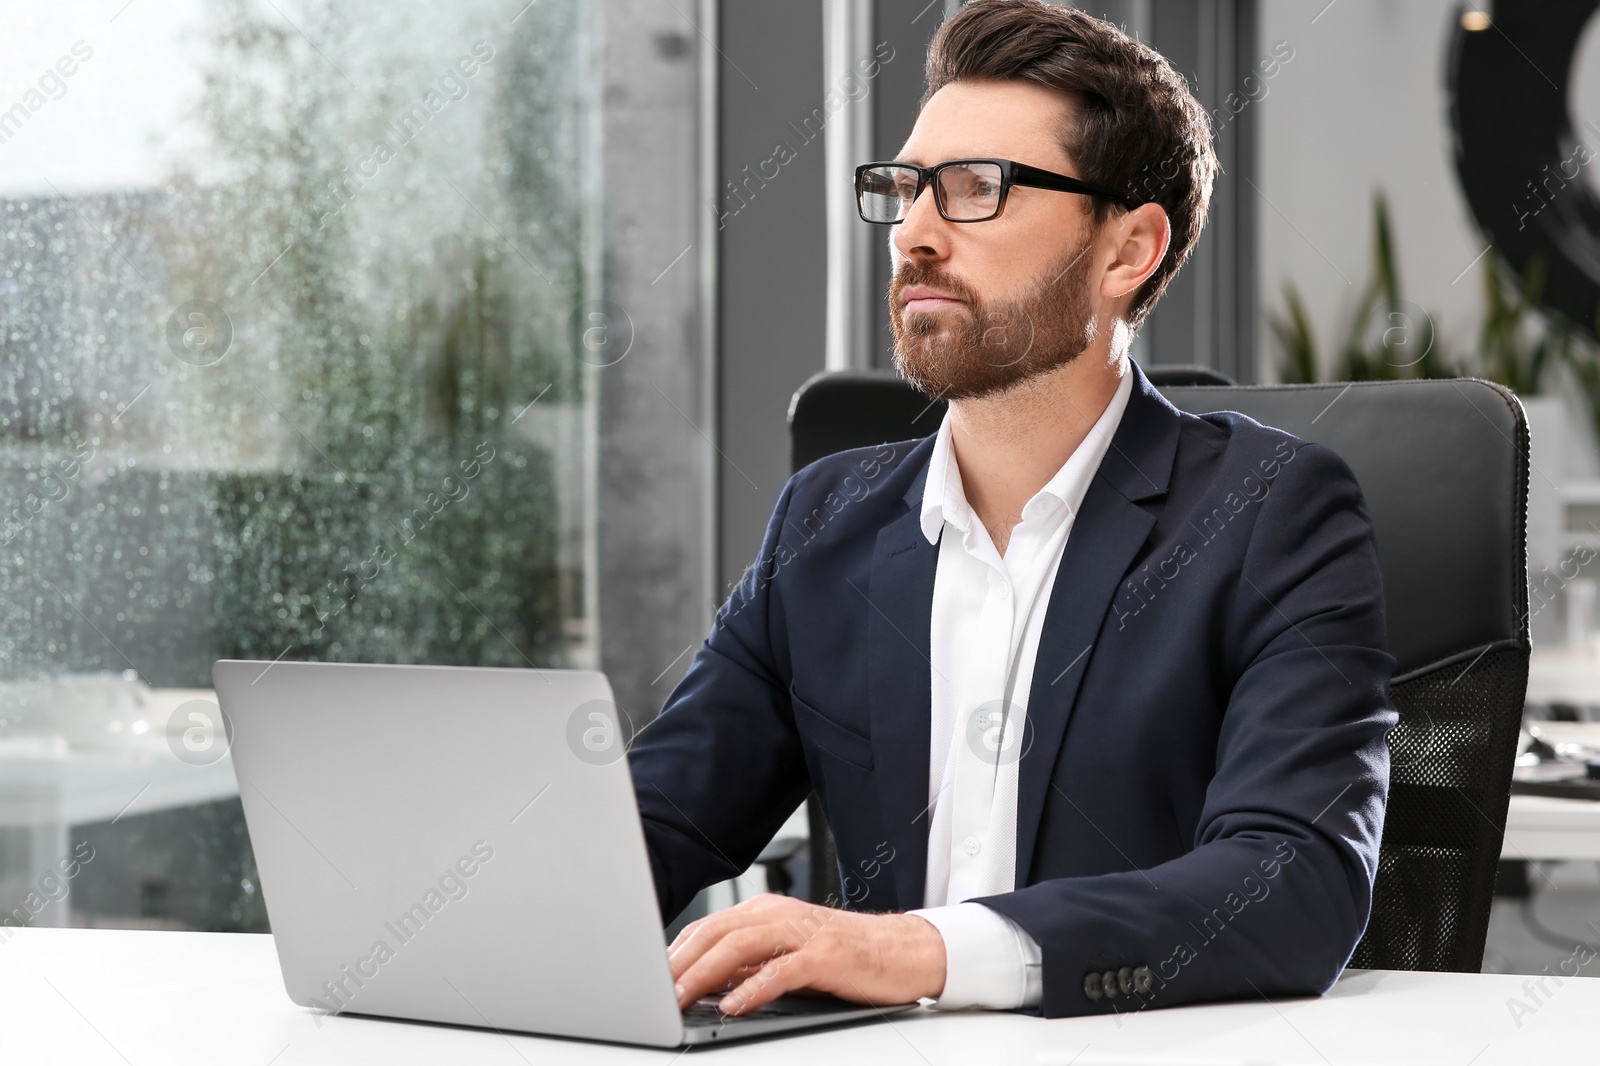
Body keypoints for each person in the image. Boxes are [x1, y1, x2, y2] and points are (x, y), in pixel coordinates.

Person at [627, 0, 1396, 1020]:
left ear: (1127, 251)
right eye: (904, 189)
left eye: (974, 190)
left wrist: (926, 950)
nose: (914, 232)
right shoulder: (825, 520)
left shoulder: (1270, 515)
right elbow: (653, 821)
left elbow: (1290, 883)